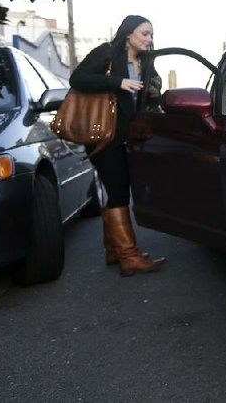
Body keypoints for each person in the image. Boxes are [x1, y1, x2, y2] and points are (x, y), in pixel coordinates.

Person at [69, 15, 165, 276]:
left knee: (117, 190)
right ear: (128, 34)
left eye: (151, 34)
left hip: (129, 136)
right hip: (104, 135)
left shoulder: (146, 61)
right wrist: (117, 82)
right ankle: (129, 255)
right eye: (144, 33)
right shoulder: (107, 53)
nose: (149, 39)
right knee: (120, 191)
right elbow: (77, 79)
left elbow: (152, 87)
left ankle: (114, 250)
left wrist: (155, 88)